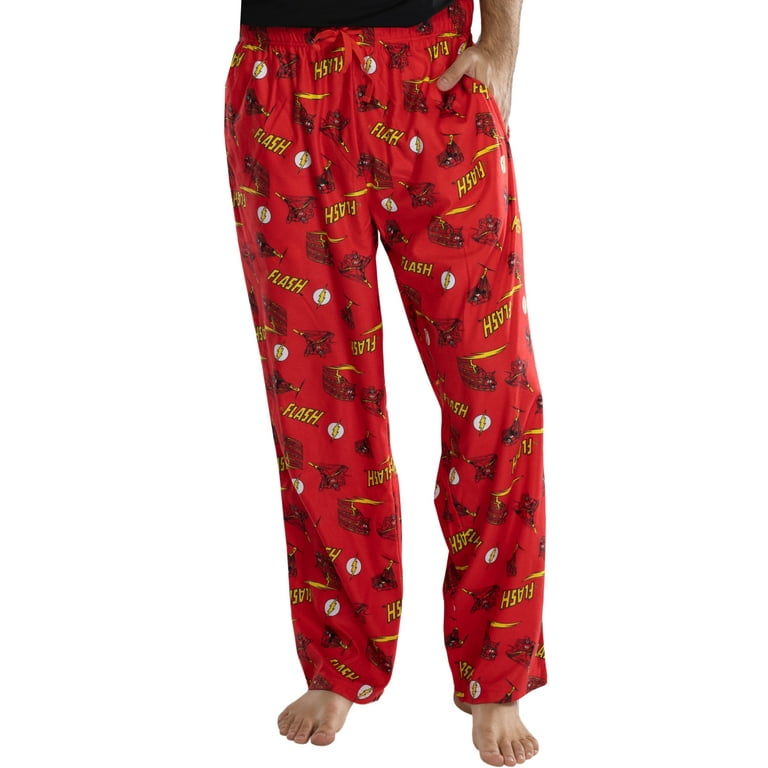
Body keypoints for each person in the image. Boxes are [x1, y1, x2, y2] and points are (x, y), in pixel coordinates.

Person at [223, 0, 546, 764]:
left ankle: (496, 668)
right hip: (282, 78)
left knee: (495, 390)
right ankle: (341, 651)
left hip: (431, 74)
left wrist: (501, 42)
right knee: (316, 399)